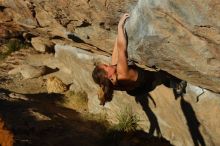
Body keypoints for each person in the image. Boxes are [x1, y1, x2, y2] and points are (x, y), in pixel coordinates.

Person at [92, 13, 186, 105]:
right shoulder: (121, 73)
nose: (107, 65)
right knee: (163, 76)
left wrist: (119, 34)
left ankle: (168, 82)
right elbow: (121, 48)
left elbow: (116, 50)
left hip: (135, 90)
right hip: (148, 82)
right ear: (108, 75)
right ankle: (178, 84)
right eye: (106, 66)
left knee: (158, 79)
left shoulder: (111, 83)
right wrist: (120, 26)